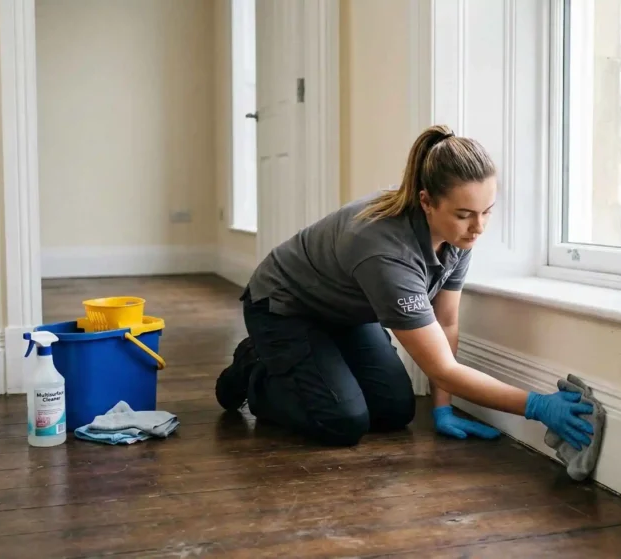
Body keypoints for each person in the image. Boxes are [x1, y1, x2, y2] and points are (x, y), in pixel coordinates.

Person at [216, 124, 595, 448]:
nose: (479, 227)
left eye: (486, 212)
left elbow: (446, 323)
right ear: (426, 201)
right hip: (285, 308)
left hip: (345, 312)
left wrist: (442, 407)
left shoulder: (456, 236)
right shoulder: (385, 253)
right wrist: (538, 407)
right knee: (342, 422)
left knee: (394, 411)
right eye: (465, 215)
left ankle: (314, 363)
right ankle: (256, 368)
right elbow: (443, 368)